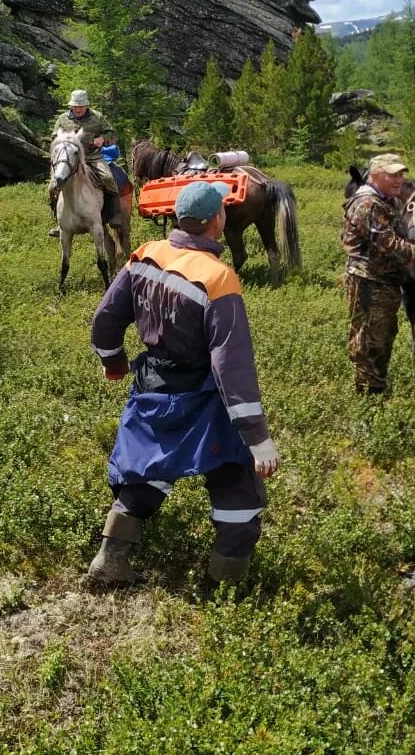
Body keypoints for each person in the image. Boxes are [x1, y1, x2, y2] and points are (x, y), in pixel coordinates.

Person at [87, 180, 279, 587]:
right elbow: (232, 366)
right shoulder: (218, 277)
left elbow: (105, 317)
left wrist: (113, 361)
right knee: (235, 484)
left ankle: (110, 561)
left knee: (144, 471)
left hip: (153, 387)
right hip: (204, 400)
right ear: (216, 221)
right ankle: (223, 587)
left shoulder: (145, 255)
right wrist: (258, 439)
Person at [341, 153, 415, 395]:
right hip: (369, 283)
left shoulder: (387, 201)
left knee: (382, 339)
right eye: (392, 175)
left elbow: (400, 237)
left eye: (401, 174)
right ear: (375, 176)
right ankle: (368, 401)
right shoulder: (367, 204)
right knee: (369, 343)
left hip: (384, 284)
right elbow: (390, 245)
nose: (399, 180)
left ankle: (376, 392)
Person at [48, 89, 119, 238]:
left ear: (86, 105)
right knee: (52, 186)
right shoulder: (62, 119)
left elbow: (111, 133)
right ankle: (58, 221)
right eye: (75, 106)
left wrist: (103, 139)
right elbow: (54, 137)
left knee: (108, 179)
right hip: (69, 160)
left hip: (92, 157)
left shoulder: (98, 117)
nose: (78, 109)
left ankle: (115, 215)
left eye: (81, 106)